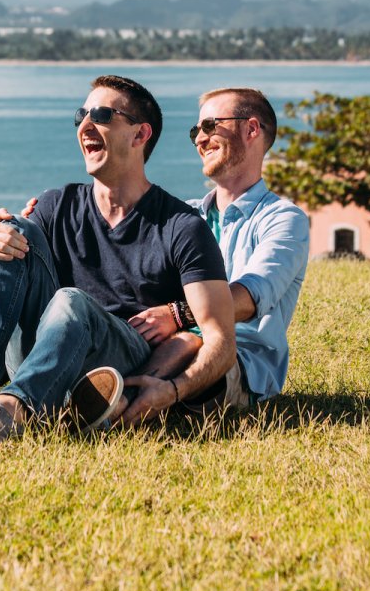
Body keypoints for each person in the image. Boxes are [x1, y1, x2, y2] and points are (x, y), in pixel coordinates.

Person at [0, 74, 238, 444]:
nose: (85, 124)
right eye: (80, 115)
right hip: (40, 352)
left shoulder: (182, 226)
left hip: (115, 366)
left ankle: (10, 411)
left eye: (101, 114)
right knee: (13, 228)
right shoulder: (56, 205)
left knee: (70, 301)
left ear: (139, 135)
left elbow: (220, 340)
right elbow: (6, 301)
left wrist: (174, 390)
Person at [115, 87, 308, 423]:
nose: (199, 140)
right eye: (195, 131)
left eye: (209, 126)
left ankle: (115, 405)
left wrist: (177, 315)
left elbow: (250, 297)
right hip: (162, 346)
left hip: (238, 364)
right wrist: (46, 221)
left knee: (188, 343)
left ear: (251, 129)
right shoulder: (185, 216)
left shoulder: (283, 219)